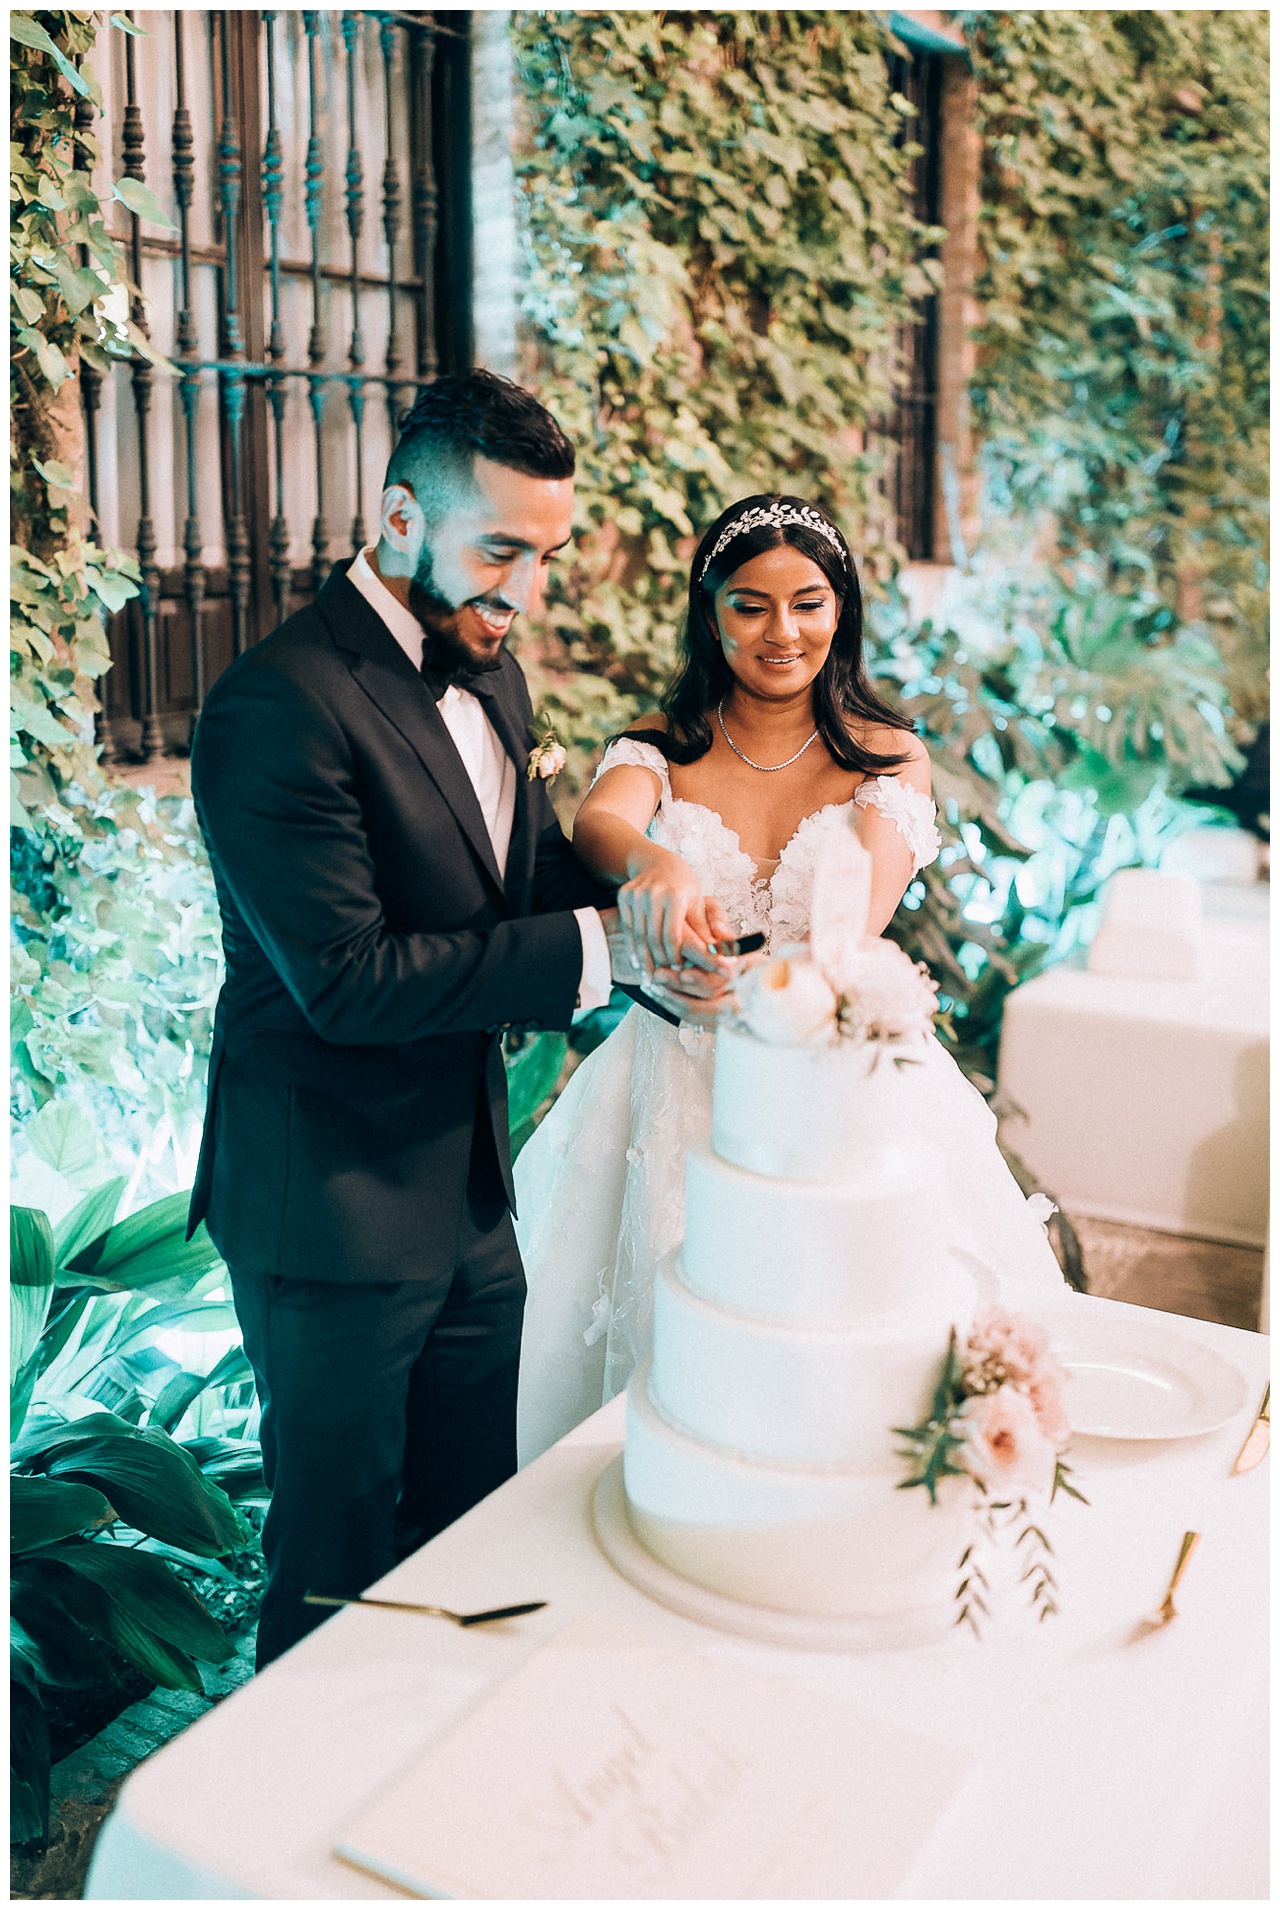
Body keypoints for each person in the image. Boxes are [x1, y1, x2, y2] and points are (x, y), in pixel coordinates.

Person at [188, 371, 730, 1666]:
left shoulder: (495, 676)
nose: (524, 592)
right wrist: (597, 946)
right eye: (500, 551)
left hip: (470, 1199)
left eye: (543, 557)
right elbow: (349, 979)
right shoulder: (278, 706)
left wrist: (649, 921)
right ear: (394, 521)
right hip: (326, 1207)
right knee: (336, 1567)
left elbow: (524, 877)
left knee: (474, 1531)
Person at [514, 494, 1066, 1464]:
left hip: (831, 1088)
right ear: (709, 612)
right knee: (676, 1365)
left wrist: (764, 983)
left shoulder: (887, 757)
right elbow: (601, 821)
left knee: (835, 1362)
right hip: (668, 1087)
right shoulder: (661, 742)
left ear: (841, 610)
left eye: (807, 603)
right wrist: (654, 863)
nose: (782, 633)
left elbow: (858, 911)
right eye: (749, 605)